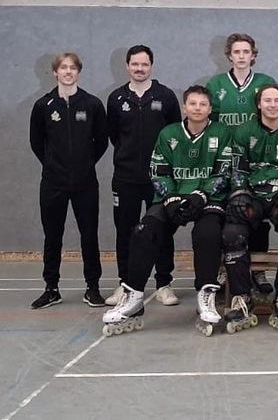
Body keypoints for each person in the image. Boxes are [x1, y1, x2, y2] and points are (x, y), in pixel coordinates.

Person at [102, 85, 233, 336]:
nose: (197, 108)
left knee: (207, 234)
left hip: (207, 199)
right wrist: (171, 197)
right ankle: (133, 296)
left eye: (203, 104)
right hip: (173, 196)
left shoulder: (221, 133)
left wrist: (201, 195)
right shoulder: (168, 133)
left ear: (210, 109)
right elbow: (158, 170)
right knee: (144, 231)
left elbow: (224, 171)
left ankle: (205, 294)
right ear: (184, 107)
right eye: (192, 104)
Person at [223, 84, 278, 333]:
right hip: (252, 195)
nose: (273, 105)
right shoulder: (243, 131)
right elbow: (237, 168)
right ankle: (241, 296)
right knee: (231, 234)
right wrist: (240, 192)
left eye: (277, 100)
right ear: (259, 105)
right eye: (267, 100)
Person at [29, 52, 108, 309]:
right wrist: (53, 165)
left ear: (78, 72)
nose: (68, 72)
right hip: (53, 183)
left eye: (73, 67)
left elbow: (101, 141)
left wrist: (84, 165)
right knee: (52, 236)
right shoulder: (43, 105)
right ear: (55, 72)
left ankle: (92, 288)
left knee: (89, 236)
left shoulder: (92, 104)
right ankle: (51, 289)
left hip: (85, 183)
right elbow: (36, 142)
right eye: (63, 67)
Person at [105, 45, 182, 307]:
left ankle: (164, 284)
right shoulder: (116, 98)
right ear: (127, 66)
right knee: (124, 231)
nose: (140, 69)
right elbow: (114, 136)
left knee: (161, 230)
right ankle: (125, 284)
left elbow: (175, 134)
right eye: (135, 64)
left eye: (144, 64)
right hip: (125, 178)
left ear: (151, 66)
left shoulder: (165, 96)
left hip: (159, 179)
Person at [205, 33, 278, 295]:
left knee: (258, 214)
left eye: (246, 51)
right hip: (226, 157)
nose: (242, 56)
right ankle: (226, 268)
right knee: (228, 214)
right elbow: (209, 123)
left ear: (253, 55)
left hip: (257, 159)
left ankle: (258, 270)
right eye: (237, 51)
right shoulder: (215, 85)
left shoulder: (265, 83)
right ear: (229, 55)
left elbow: (273, 118)